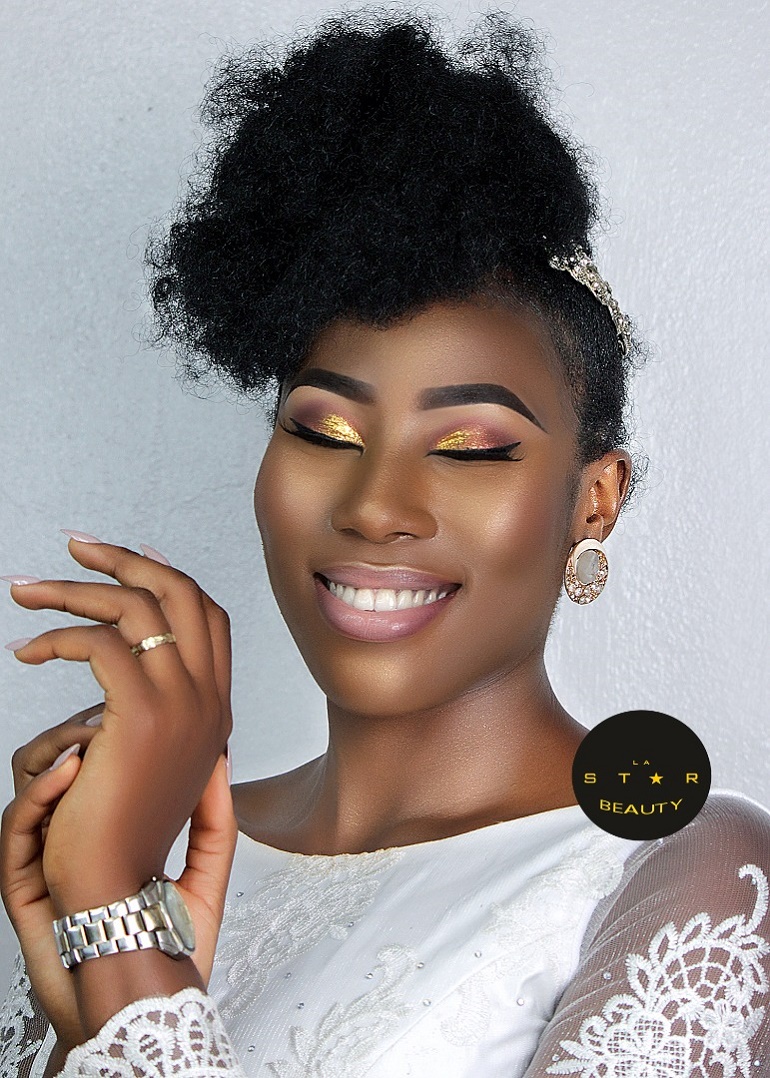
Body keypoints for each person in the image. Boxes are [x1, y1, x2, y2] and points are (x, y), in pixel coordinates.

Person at [1, 10, 768, 1076]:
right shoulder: (150, 839)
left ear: (593, 502)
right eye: (324, 432)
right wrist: (98, 939)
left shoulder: (685, 864)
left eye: (470, 449)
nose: (375, 506)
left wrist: (123, 928)